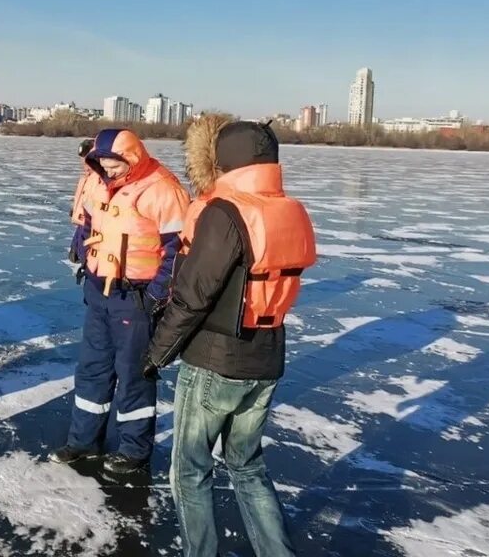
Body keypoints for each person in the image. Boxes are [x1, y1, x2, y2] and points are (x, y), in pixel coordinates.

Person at [144, 120, 316, 557]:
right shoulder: (290, 209)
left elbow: (193, 295)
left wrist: (156, 354)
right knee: (247, 466)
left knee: (189, 471)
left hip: (214, 360)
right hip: (267, 354)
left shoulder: (225, 211)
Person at [50, 128, 190, 476]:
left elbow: (179, 250)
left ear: (132, 159)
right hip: (100, 290)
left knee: (134, 375)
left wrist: (158, 293)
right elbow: (86, 225)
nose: (108, 172)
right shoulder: (96, 182)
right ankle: (83, 441)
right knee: (93, 368)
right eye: (104, 166)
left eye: (115, 166)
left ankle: (134, 449)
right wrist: (83, 254)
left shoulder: (162, 189)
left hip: (137, 297)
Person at [67, 138, 99, 282]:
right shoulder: (86, 179)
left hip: (94, 237)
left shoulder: (100, 181)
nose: (84, 165)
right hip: (82, 229)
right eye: (82, 161)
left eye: (87, 161)